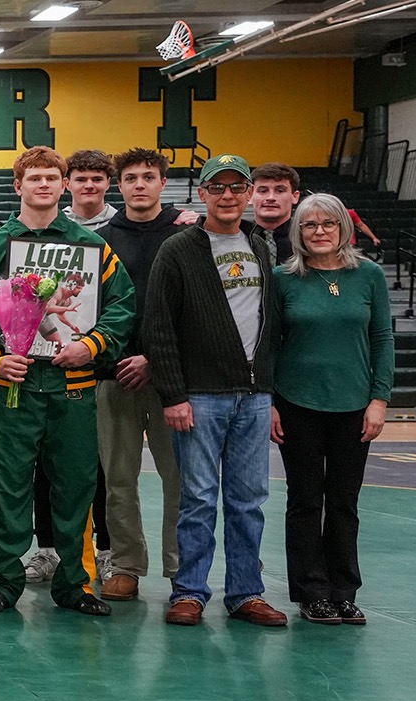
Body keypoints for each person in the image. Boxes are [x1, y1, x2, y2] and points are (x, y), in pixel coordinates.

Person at [0, 148, 128, 618]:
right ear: (17, 186)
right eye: (33, 178)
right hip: (13, 388)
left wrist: (91, 347)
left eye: (52, 178)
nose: (43, 185)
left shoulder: (92, 247)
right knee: (6, 487)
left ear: (65, 185)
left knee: (76, 486)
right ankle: (3, 582)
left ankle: (75, 584)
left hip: (72, 386)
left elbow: (121, 305)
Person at [142, 153, 287, 628]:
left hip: (254, 396)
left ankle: (247, 592)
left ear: (248, 194)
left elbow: (274, 326)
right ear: (202, 193)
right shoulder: (179, 248)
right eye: (217, 187)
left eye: (236, 187)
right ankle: (189, 591)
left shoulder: (262, 248)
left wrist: (270, 393)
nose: (228, 196)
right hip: (199, 395)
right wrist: (173, 394)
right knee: (199, 498)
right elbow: (159, 326)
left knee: (249, 500)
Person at [272, 193, 393, 625]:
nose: (319, 231)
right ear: (297, 232)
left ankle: (343, 590)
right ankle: (311, 593)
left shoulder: (370, 276)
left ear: (345, 227)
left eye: (328, 223)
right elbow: (268, 345)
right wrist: (270, 402)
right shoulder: (283, 278)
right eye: (309, 225)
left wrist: (379, 399)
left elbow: (383, 339)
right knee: (305, 499)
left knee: (344, 501)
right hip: (296, 402)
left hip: (354, 406)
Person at [93, 149, 191, 601]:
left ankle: (181, 569)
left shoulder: (188, 232)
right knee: (118, 477)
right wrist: (120, 356)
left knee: (180, 477)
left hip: (173, 378)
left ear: (162, 182)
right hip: (115, 373)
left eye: (148, 176)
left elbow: (195, 307)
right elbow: (91, 309)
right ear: (120, 185)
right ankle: (127, 565)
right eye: (130, 178)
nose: (139, 185)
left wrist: (155, 357)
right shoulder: (100, 238)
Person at [248, 162, 300, 263]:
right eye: (263, 191)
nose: (270, 198)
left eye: (280, 191)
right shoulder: (239, 239)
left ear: (295, 196)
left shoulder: (307, 239)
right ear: (249, 196)